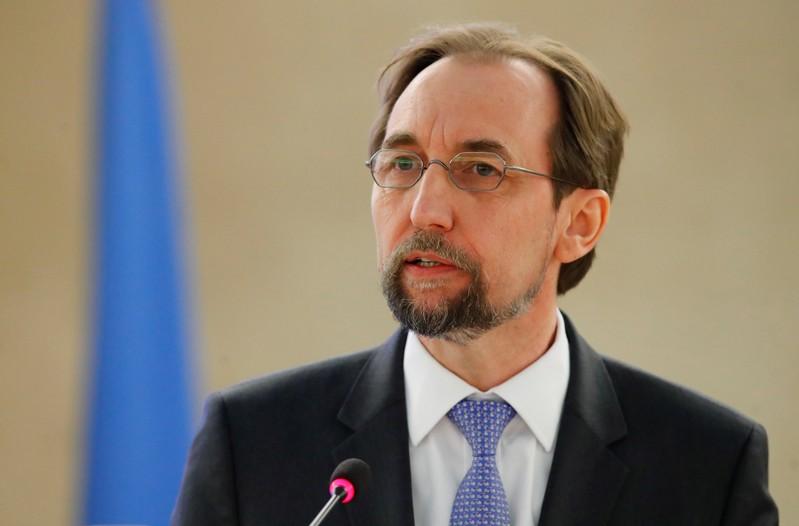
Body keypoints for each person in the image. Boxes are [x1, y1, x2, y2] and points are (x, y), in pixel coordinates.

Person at [172, 23, 778, 526]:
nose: (424, 210)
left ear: (579, 223)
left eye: (482, 169)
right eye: (403, 163)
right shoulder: (252, 445)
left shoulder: (709, 468)